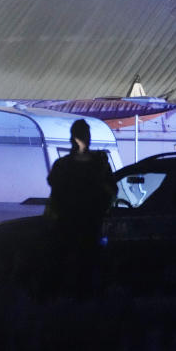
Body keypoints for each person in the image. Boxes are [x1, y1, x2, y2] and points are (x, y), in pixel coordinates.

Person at [45, 119, 117, 294]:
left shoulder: (73, 165)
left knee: (80, 268)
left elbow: (111, 190)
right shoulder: (92, 165)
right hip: (75, 224)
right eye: (84, 135)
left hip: (82, 224)